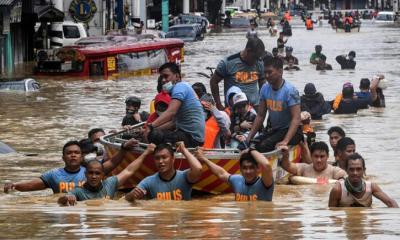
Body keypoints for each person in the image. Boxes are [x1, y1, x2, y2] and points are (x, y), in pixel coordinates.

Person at [3, 139, 138, 194]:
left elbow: (113, 163)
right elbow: (31, 185)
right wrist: (14, 185)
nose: (73, 155)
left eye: (76, 153)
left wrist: (123, 149)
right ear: (63, 158)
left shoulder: (92, 172)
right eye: (69, 153)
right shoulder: (53, 175)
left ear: (81, 156)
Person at [58, 144, 156, 205]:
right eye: (90, 173)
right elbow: (61, 200)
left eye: (97, 173)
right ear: (85, 174)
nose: (93, 176)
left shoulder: (110, 183)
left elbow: (128, 171)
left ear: (103, 175)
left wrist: (145, 153)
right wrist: (66, 198)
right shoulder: (78, 191)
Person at [246, 57, 302, 152]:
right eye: (265, 72)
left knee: (264, 146)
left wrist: (285, 141)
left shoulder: (290, 91)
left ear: (280, 72)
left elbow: (296, 118)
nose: (267, 76)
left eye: (270, 72)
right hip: (276, 130)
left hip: (293, 131)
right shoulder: (264, 88)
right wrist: (249, 136)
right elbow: (260, 116)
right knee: (252, 143)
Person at [147, 62, 205, 147]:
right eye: (162, 77)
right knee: (154, 132)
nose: (163, 80)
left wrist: (150, 127)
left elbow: (171, 112)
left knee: (154, 135)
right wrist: (153, 129)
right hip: (191, 136)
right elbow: (173, 122)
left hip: (192, 138)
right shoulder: (179, 88)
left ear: (177, 76)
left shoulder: (180, 87)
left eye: (166, 76)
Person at [125, 142, 202, 201]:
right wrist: (132, 195)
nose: (160, 161)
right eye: (157, 158)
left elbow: (198, 168)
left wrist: (184, 150)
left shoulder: (184, 176)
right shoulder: (149, 181)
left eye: (164, 157)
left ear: (173, 159)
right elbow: (126, 199)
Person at [195, 147, 274, 201]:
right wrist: (204, 159)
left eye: (251, 168)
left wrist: (250, 150)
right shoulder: (237, 180)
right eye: (245, 168)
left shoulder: (265, 183)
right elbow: (221, 173)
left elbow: (266, 165)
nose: (248, 171)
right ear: (240, 169)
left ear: (258, 168)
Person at [210, 37, 265, 110]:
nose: (256, 61)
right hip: (234, 109)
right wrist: (219, 105)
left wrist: (262, 103)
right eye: (255, 57)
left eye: (258, 58)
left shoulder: (259, 62)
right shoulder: (227, 63)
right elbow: (213, 81)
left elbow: (262, 82)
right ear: (248, 51)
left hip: (255, 108)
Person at [329, 153, 398, 207]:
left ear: (364, 170)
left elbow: (391, 203)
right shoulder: (338, 189)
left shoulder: (371, 187)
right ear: (346, 170)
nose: (355, 173)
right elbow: (332, 214)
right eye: (351, 169)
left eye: (358, 169)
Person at [280, 142, 346, 182]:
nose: (319, 160)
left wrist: (342, 179)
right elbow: (287, 166)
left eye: (322, 156)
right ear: (311, 156)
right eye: (316, 156)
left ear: (327, 156)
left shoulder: (334, 171)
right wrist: (286, 155)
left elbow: (344, 176)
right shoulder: (304, 168)